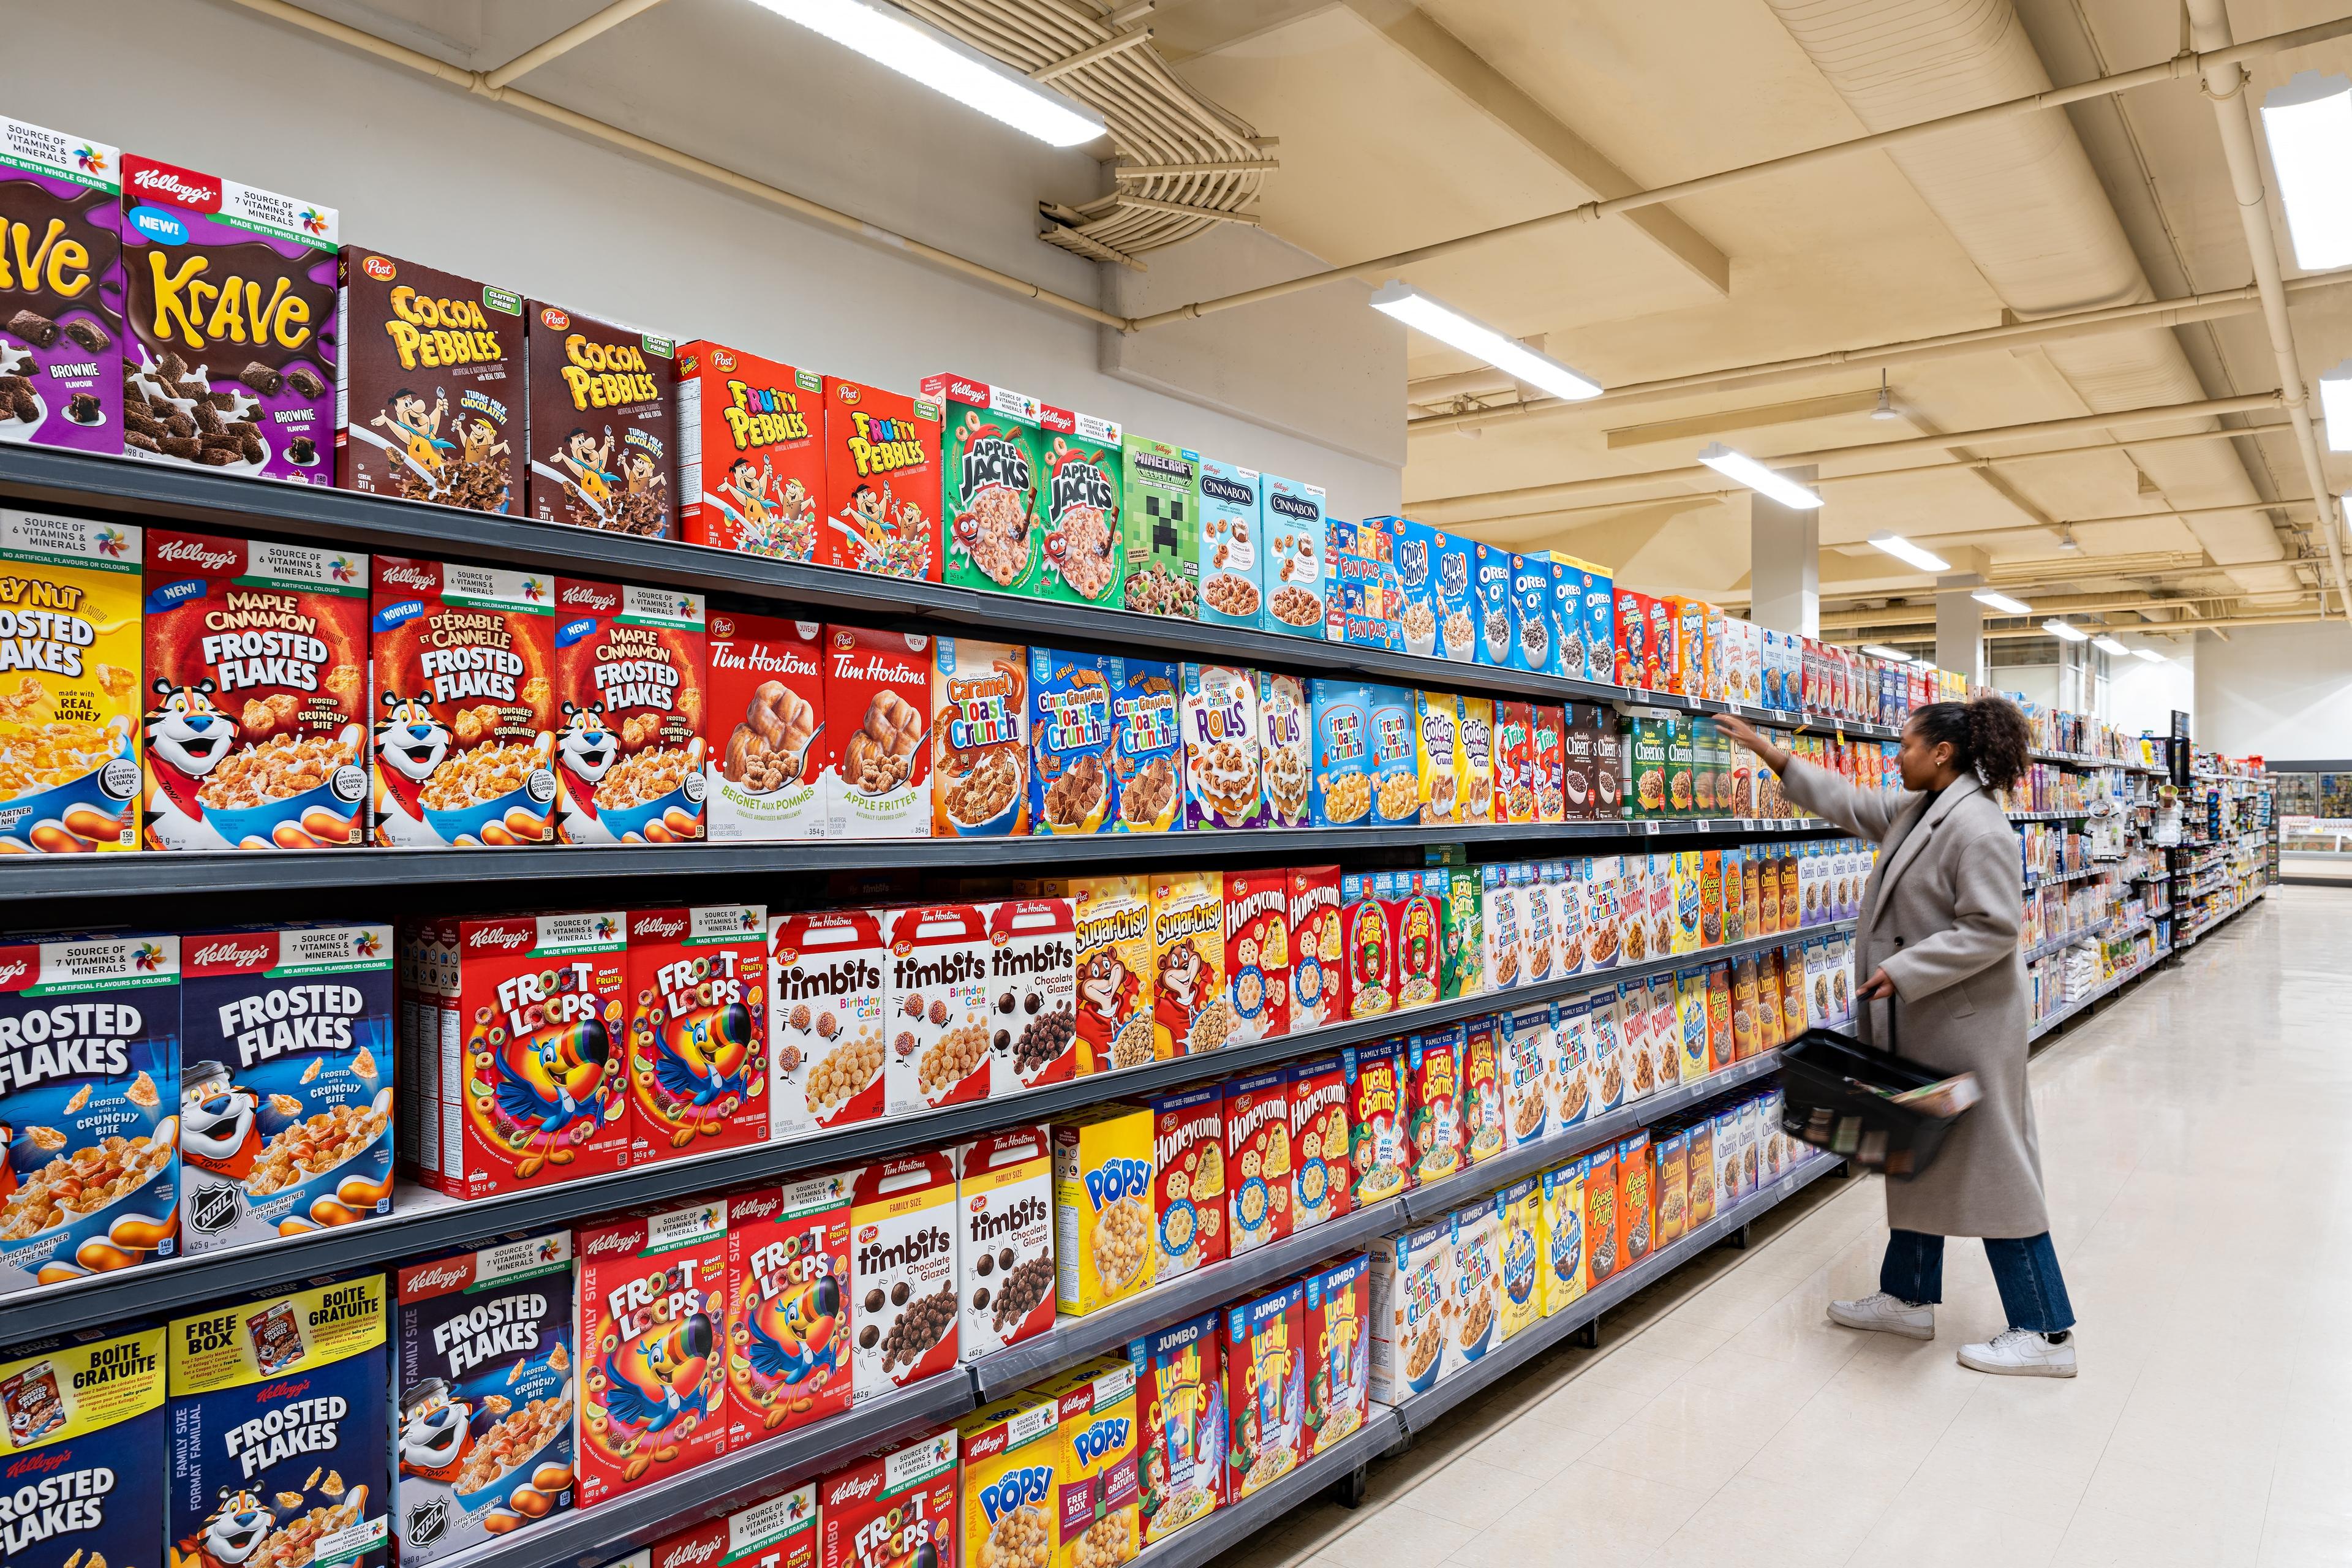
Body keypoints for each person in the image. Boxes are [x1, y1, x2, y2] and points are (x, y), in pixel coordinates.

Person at [1716, 695, 2076, 1378]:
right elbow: (1849, 801)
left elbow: (1995, 926)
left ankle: (2047, 1330)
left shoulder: (1980, 827)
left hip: (1966, 1028)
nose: (1897, 755)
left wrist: (1904, 968)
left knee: (1997, 1170)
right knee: (1917, 1151)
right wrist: (1772, 755)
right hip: (1927, 1022)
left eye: (1906, 744)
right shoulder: (1922, 809)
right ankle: (1909, 1296)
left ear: (1942, 753)